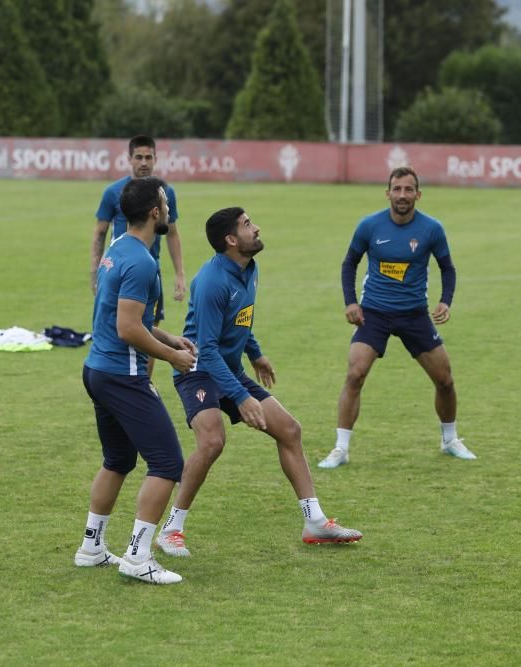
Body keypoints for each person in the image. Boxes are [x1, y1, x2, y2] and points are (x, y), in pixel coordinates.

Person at [155, 207, 362, 558]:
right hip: (198, 370)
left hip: (230, 368)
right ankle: (171, 529)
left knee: (290, 430)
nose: (257, 228)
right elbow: (205, 350)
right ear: (231, 240)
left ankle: (314, 522)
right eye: (248, 225)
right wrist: (240, 396)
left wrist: (255, 353)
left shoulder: (249, 267)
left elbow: (239, 320)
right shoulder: (210, 282)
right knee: (212, 441)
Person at [74, 176, 197, 585]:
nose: (168, 207)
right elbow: (128, 329)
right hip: (121, 375)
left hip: (98, 370)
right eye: (164, 201)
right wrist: (174, 357)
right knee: (167, 462)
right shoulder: (141, 261)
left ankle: (92, 547)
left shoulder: (118, 250)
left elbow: (130, 320)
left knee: (119, 460)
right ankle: (137, 555)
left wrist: (166, 336)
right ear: (154, 212)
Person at [318, 166, 476, 469]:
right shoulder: (369, 226)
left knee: (444, 379)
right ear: (387, 192)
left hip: (414, 314)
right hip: (374, 312)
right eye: (397, 189)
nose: (402, 195)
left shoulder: (432, 229)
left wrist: (446, 301)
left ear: (418, 194)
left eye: (408, 189)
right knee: (355, 374)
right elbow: (349, 263)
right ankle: (341, 448)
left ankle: (450, 439)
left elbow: (448, 268)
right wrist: (351, 302)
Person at [91, 135, 184, 376]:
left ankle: (142, 381)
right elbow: (100, 233)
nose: (144, 162)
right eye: (139, 157)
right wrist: (95, 272)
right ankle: (129, 381)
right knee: (122, 324)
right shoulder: (113, 192)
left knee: (147, 326)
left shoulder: (166, 191)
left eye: (148, 157)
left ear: (156, 159)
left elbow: (172, 233)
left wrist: (180, 274)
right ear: (129, 159)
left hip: (149, 269)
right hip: (123, 267)